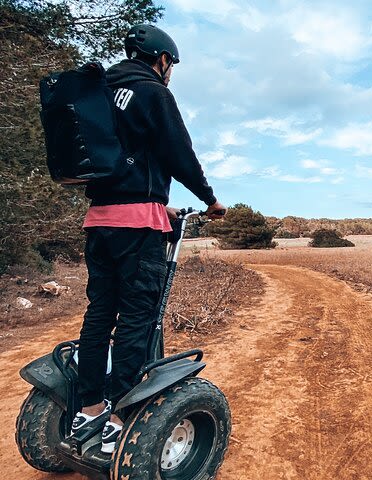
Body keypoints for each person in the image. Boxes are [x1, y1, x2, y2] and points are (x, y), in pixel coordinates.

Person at [71, 24, 225, 454]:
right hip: (138, 228)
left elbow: (121, 167)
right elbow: (180, 155)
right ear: (161, 59)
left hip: (98, 221)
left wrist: (163, 205)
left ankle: (88, 407)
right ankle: (120, 417)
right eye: (171, 63)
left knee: (100, 311)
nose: (170, 71)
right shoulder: (153, 92)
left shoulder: (99, 92)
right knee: (138, 316)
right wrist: (209, 200)